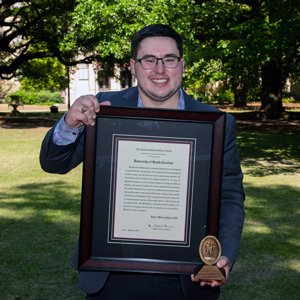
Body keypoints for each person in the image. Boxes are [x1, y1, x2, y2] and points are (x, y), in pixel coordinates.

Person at [40, 24, 245, 300]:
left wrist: (226, 253)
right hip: (111, 272)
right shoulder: (103, 110)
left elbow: (230, 195)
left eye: (169, 59)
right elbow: (54, 163)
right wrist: (70, 123)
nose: (159, 69)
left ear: (182, 65)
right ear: (134, 67)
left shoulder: (215, 123)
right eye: (149, 60)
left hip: (188, 277)